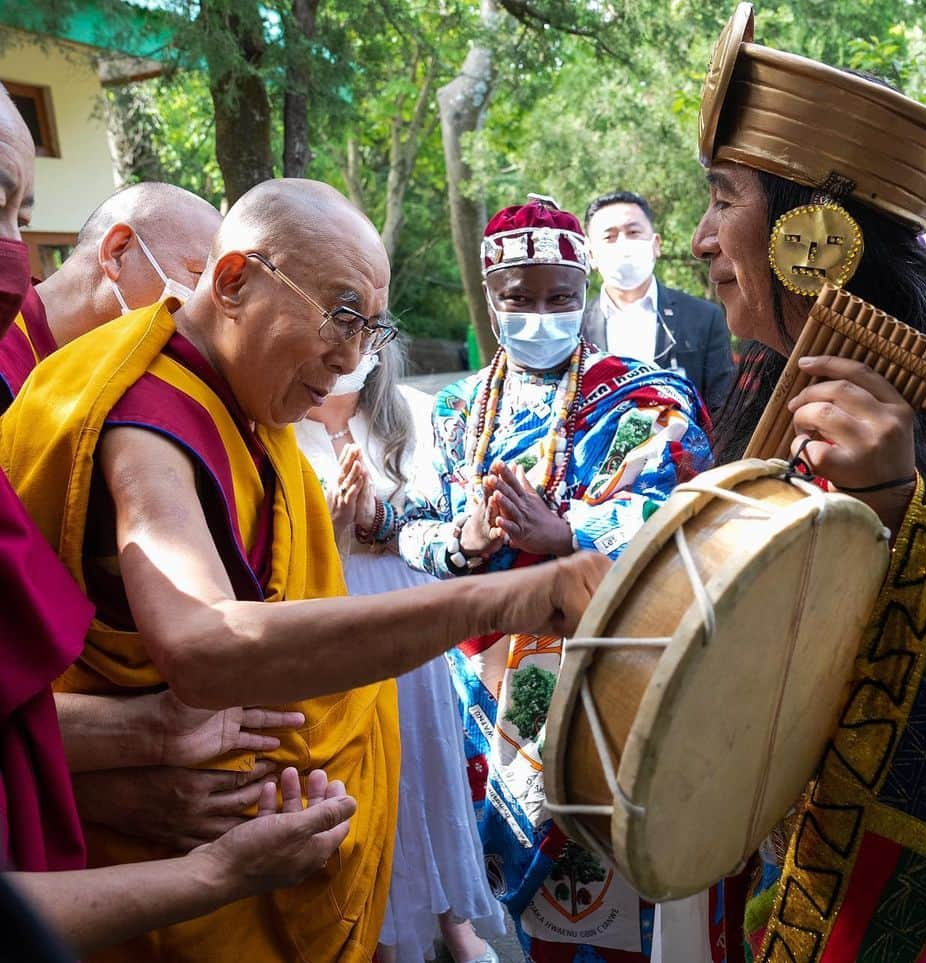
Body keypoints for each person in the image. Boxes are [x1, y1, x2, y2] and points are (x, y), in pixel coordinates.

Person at [0, 177, 608, 962]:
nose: (352, 357)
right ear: (233, 281)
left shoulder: (246, 406)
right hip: (173, 871)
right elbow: (203, 644)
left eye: (371, 329)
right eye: (341, 314)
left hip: (273, 841)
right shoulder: (147, 421)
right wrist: (492, 598)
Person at [693, 5, 926, 960]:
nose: (698, 239)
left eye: (721, 197)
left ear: (811, 234)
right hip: (786, 895)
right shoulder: (758, 402)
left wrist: (899, 510)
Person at [0, 85, 359, 959]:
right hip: (103, 866)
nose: (197, 310)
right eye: (199, 279)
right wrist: (131, 764)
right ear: (120, 253)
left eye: (21, 210)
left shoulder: (217, 410)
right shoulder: (70, 402)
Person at [374, 197, 711, 961]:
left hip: (603, 681)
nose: (539, 314)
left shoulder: (644, 394)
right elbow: (409, 526)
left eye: (559, 297)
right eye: (517, 299)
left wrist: (568, 535)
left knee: (607, 897)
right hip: (479, 697)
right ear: (490, 300)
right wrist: (463, 540)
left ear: (584, 292)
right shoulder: (454, 411)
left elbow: (681, 515)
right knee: (512, 924)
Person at [296, 340, 503, 963]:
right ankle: (378, 928)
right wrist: (332, 524)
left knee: (424, 758)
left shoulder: (410, 413)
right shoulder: (277, 423)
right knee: (360, 770)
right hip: (331, 610)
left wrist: (378, 518)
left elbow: (442, 520)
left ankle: (452, 920)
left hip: (407, 606)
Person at [0, 181, 221, 410]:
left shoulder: (119, 377)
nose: (207, 303)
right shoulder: (6, 346)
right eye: (198, 275)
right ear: (117, 252)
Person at [582, 190, 736, 410]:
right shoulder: (576, 327)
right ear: (590, 255)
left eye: (633, 232)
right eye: (609, 236)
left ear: (656, 244)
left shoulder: (703, 318)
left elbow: (722, 408)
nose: (623, 245)